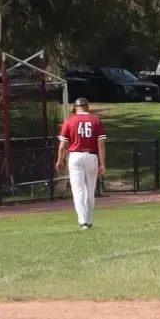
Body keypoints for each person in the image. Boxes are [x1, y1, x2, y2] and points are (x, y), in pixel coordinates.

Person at [55, 98, 105, 230]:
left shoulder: (70, 121)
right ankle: (89, 220)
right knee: (90, 190)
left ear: (75, 108)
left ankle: (83, 222)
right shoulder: (96, 120)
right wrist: (103, 164)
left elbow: (62, 146)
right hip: (92, 156)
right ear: (87, 107)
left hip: (75, 157)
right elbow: (101, 144)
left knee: (78, 190)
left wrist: (60, 160)